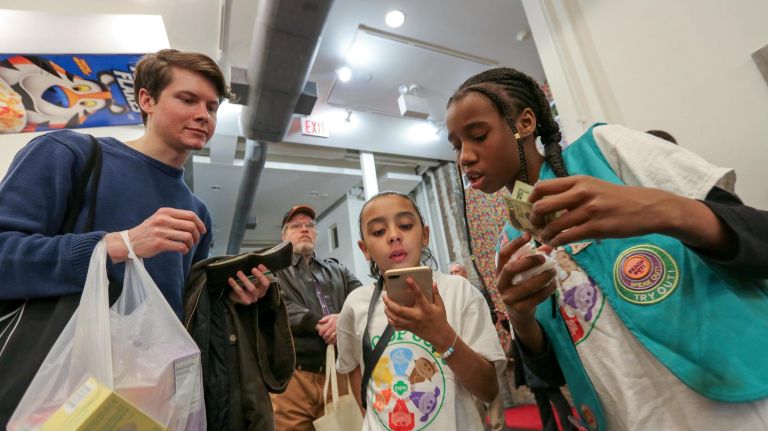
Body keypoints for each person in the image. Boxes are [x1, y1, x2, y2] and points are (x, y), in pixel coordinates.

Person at [445, 67, 768, 430]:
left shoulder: (605, 151)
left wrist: (659, 209)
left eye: (478, 135)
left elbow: (760, 240)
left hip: (733, 397)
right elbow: (552, 370)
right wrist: (520, 318)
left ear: (525, 123)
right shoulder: (511, 242)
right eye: (456, 146)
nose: (465, 157)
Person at [0, 49, 271, 425]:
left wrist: (235, 300)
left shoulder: (197, 211)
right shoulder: (68, 153)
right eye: (188, 99)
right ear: (146, 99)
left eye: (212, 107)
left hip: (150, 398)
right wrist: (116, 245)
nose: (203, 116)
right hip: (52, 385)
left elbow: (185, 313)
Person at [336, 191, 506, 430]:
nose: (394, 236)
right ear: (365, 249)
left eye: (405, 225)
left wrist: (441, 334)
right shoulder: (355, 304)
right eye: (378, 231)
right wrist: (371, 416)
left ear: (425, 234)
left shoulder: (459, 292)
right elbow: (351, 367)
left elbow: (488, 389)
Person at [270, 204, 362, 430]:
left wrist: (341, 319)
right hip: (293, 380)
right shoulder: (272, 270)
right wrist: (317, 324)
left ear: (316, 233)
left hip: (339, 372)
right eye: (296, 226)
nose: (304, 229)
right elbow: (277, 306)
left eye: (309, 225)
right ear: (284, 235)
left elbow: (362, 299)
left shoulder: (337, 270)